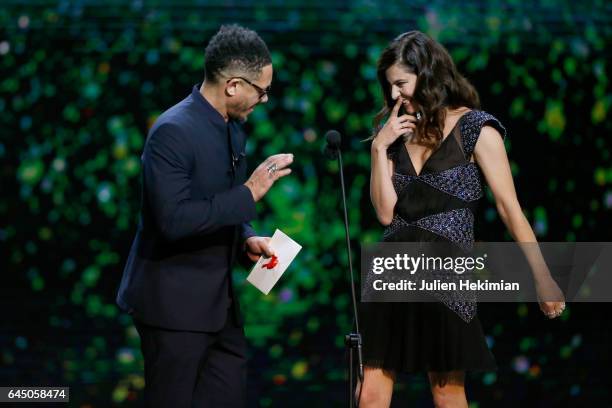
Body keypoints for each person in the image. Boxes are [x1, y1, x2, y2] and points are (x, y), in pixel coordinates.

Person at [359, 31, 566, 407]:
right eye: (389, 87)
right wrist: (378, 148)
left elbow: (509, 207)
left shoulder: (477, 129)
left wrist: (542, 277)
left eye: (401, 84)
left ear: (427, 72)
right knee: (370, 394)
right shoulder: (391, 135)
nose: (394, 97)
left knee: (446, 391)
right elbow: (385, 213)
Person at [116, 24, 293, 407]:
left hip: (220, 309)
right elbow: (173, 219)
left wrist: (246, 235)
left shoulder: (232, 128)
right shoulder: (172, 132)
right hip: (174, 309)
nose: (264, 100)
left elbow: (219, 201)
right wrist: (249, 193)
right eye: (261, 91)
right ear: (233, 85)